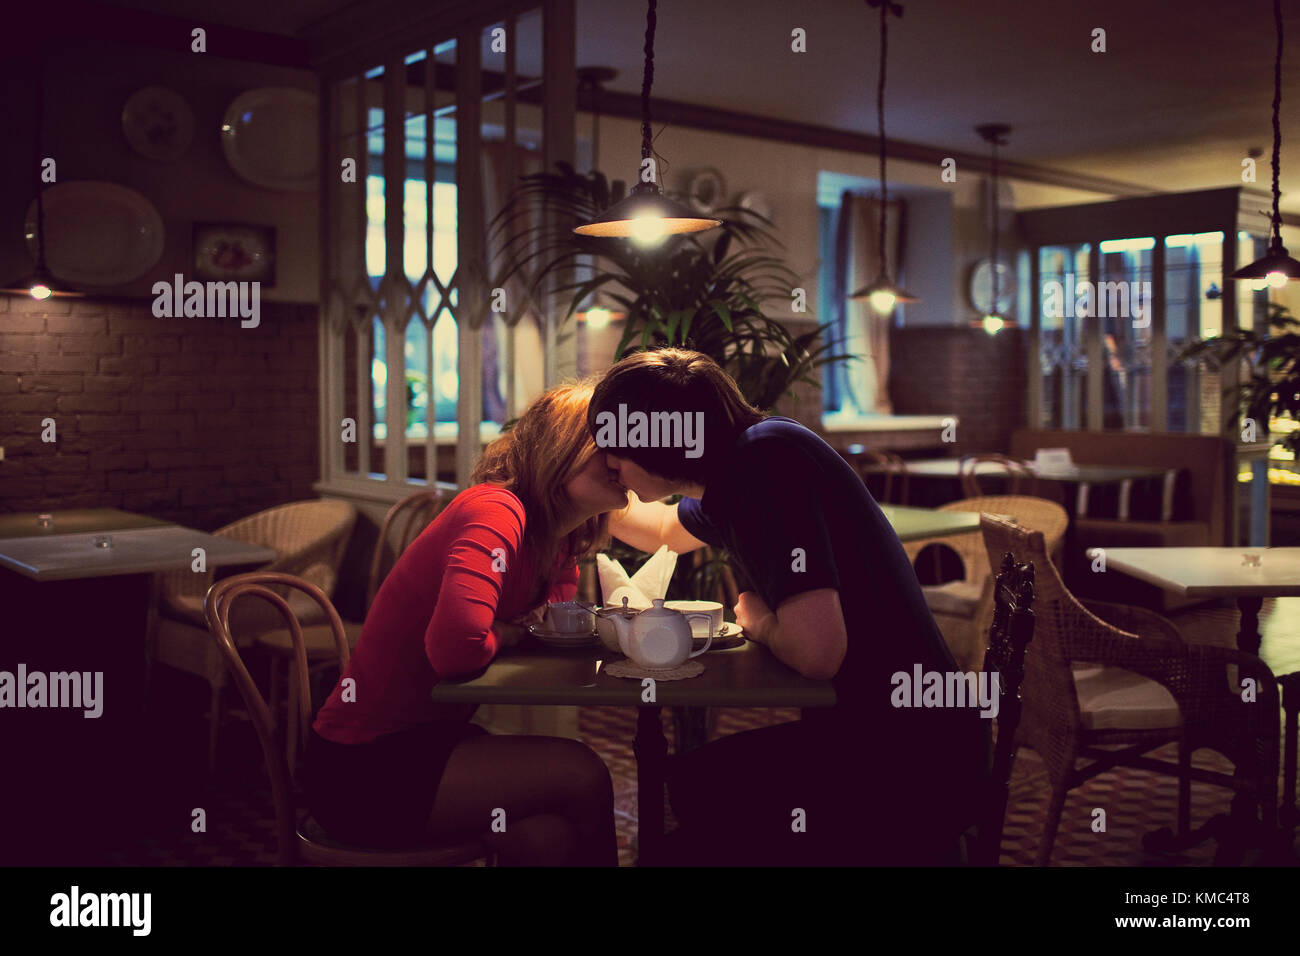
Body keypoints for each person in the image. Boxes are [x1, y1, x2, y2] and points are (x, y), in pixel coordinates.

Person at [596, 348, 991, 865]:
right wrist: (582, 500)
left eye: (614, 448)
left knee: (684, 801)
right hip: (893, 733)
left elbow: (818, 652)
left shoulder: (762, 465)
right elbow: (663, 530)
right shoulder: (741, 464)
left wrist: (760, 621)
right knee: (689, 792)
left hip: (911, 758)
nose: (609, 462)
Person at [304, 382, 627, 865]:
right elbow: (455, 649)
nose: (623, 461)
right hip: (363, 763)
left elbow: (552, 625)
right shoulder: (495, 511)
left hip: (432, 739)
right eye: (610, 446)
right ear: (562, 447)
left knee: (548, 837)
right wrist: (512, 632)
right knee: (583, 773)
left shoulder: (560, 540)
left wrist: (522, 629)